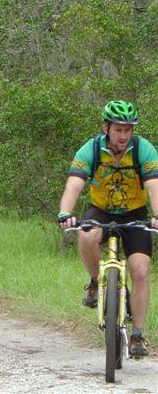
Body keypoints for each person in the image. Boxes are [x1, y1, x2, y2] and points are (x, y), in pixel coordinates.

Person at [58, 100, 158, 357]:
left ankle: (137, 335)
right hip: (100, 210)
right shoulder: (91, 149)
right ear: (107, 128)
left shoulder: (143, 149)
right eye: (118, 130)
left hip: (135, 214)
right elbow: (74, 184)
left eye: (128, 130)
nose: (124, 135)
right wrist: (65, 213)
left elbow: (154, 185)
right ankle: (94, 281)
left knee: (140, 269)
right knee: (86, 233)